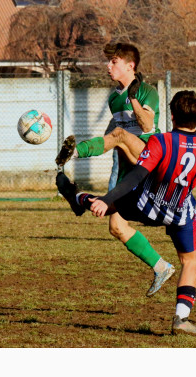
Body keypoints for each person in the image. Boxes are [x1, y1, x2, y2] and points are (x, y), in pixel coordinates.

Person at [56, 90, 196, 335]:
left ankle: (76, 198)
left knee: (108, 205)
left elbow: (137, 175)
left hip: (146, 205)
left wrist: (107, 199)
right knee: (190, 262)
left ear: (172, 116)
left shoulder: (162, 141)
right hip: (179, 213)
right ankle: (181, 317)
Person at [55, 42, 161, 257]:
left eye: (114, 61)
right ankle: (161, 267)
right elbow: (114, 135)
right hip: (127, 165)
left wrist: (133, 98)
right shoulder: (114, 98)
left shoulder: (147, 91)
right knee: (116, 226)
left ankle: (75, 152)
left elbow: (147, 126)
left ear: (130, 65)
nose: (108, 66)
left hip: (148, 156)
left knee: (120, 136)